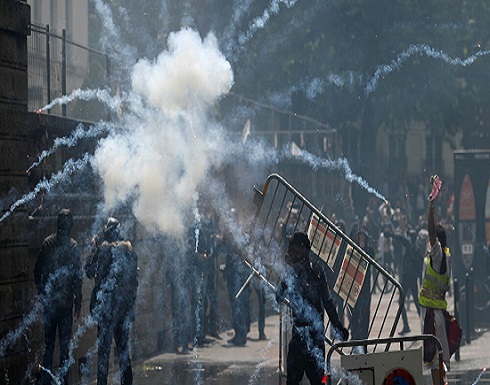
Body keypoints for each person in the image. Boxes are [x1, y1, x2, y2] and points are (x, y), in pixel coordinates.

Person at [276, 231, 349, 385]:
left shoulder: (302, 272)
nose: (290, 248)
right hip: (311, 339)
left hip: (303, 340)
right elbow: (328, 303)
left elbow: (278, 296)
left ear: (302, 249)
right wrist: (339, 327)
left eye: (293, 245)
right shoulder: (316, 270)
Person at [85, 217, 138, 385]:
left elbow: (89, 271)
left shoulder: (104, 250)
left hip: (107, 311)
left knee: (104, 353)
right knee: (123, 352)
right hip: (122, 310)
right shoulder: (129, 249)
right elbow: (134, 281)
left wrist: (93, 250)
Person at [34, 209, 82, 385]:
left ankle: (46, 381)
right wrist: (78, 302)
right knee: (64, 348)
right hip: (65, 306)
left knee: (49, 346)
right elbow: (78, 277)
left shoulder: (47, 243)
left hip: (50, 304)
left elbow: (37, 270)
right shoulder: (73, 246)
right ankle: (63, 382)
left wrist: (42, 291)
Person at [419, 176, 451, 385]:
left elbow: (432, 232)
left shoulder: (438, 254)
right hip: (431, 312)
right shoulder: (441, 254)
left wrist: (431, 207)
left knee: (435, 360)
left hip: (434, 316)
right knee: (435, 362)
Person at [389, 230, 422, 335]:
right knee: (416, 301)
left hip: (407, 277)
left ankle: (406, 325)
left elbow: (402, 239)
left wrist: (392, 235)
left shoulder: (410, 246)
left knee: (401, 301)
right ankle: (424, 324)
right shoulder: (417, 250)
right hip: (413, 278)